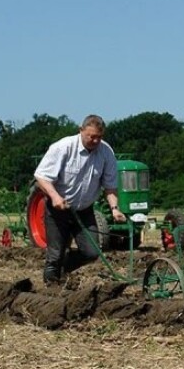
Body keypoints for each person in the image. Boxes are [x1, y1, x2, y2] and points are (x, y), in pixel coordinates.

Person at [33, 114, 126, 283]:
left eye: (99, 137)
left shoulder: (106, 152)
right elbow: (41, 177)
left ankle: (65, 269)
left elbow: (110, 186)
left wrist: (114, 208)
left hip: (84, 210)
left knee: (91, 253)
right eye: (91, 136)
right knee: (55, 255)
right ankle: (50, 290)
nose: (95, 141)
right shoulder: (63, 147)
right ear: (81, 131)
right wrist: (55, 197)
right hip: (58, 210)